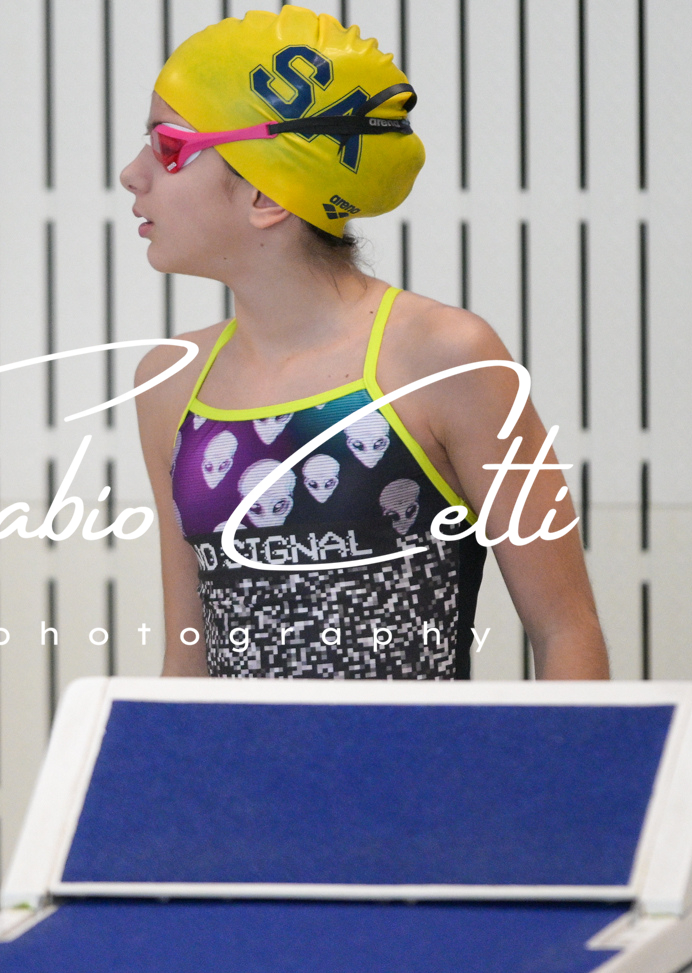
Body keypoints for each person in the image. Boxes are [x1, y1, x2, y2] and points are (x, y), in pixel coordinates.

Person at [129, 6, 610, 681]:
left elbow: (565, 631)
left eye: (168, 147)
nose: (133, 174)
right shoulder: (173, 384)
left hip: (419, 756)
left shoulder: (443, 358)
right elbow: (188, 659)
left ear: (267, 194)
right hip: (233, 758)